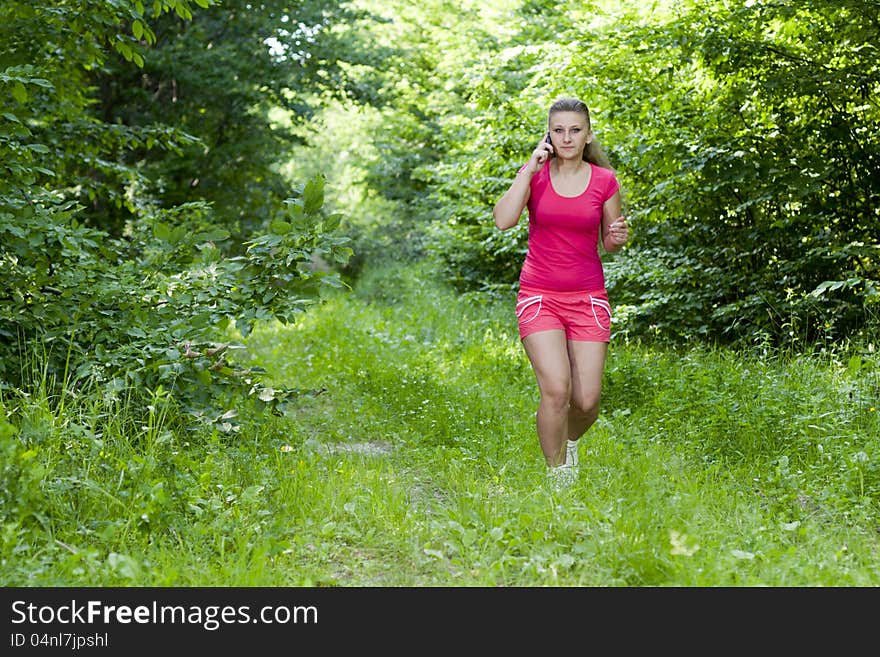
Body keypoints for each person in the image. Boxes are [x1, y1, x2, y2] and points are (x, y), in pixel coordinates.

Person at [492, 97, 629, 488]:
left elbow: (610, 241)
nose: (566, 137)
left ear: (588, 134)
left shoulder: (605, 181)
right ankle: (558, 478)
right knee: (556, 388)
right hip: (539, 296)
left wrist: (618, 236)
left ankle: (566, 442)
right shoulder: (534, 176)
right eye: (558, 130)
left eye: (574, 129)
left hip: (588, 298)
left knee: (586, 402)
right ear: (548, 135)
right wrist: (527, 169)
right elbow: (504, 220)